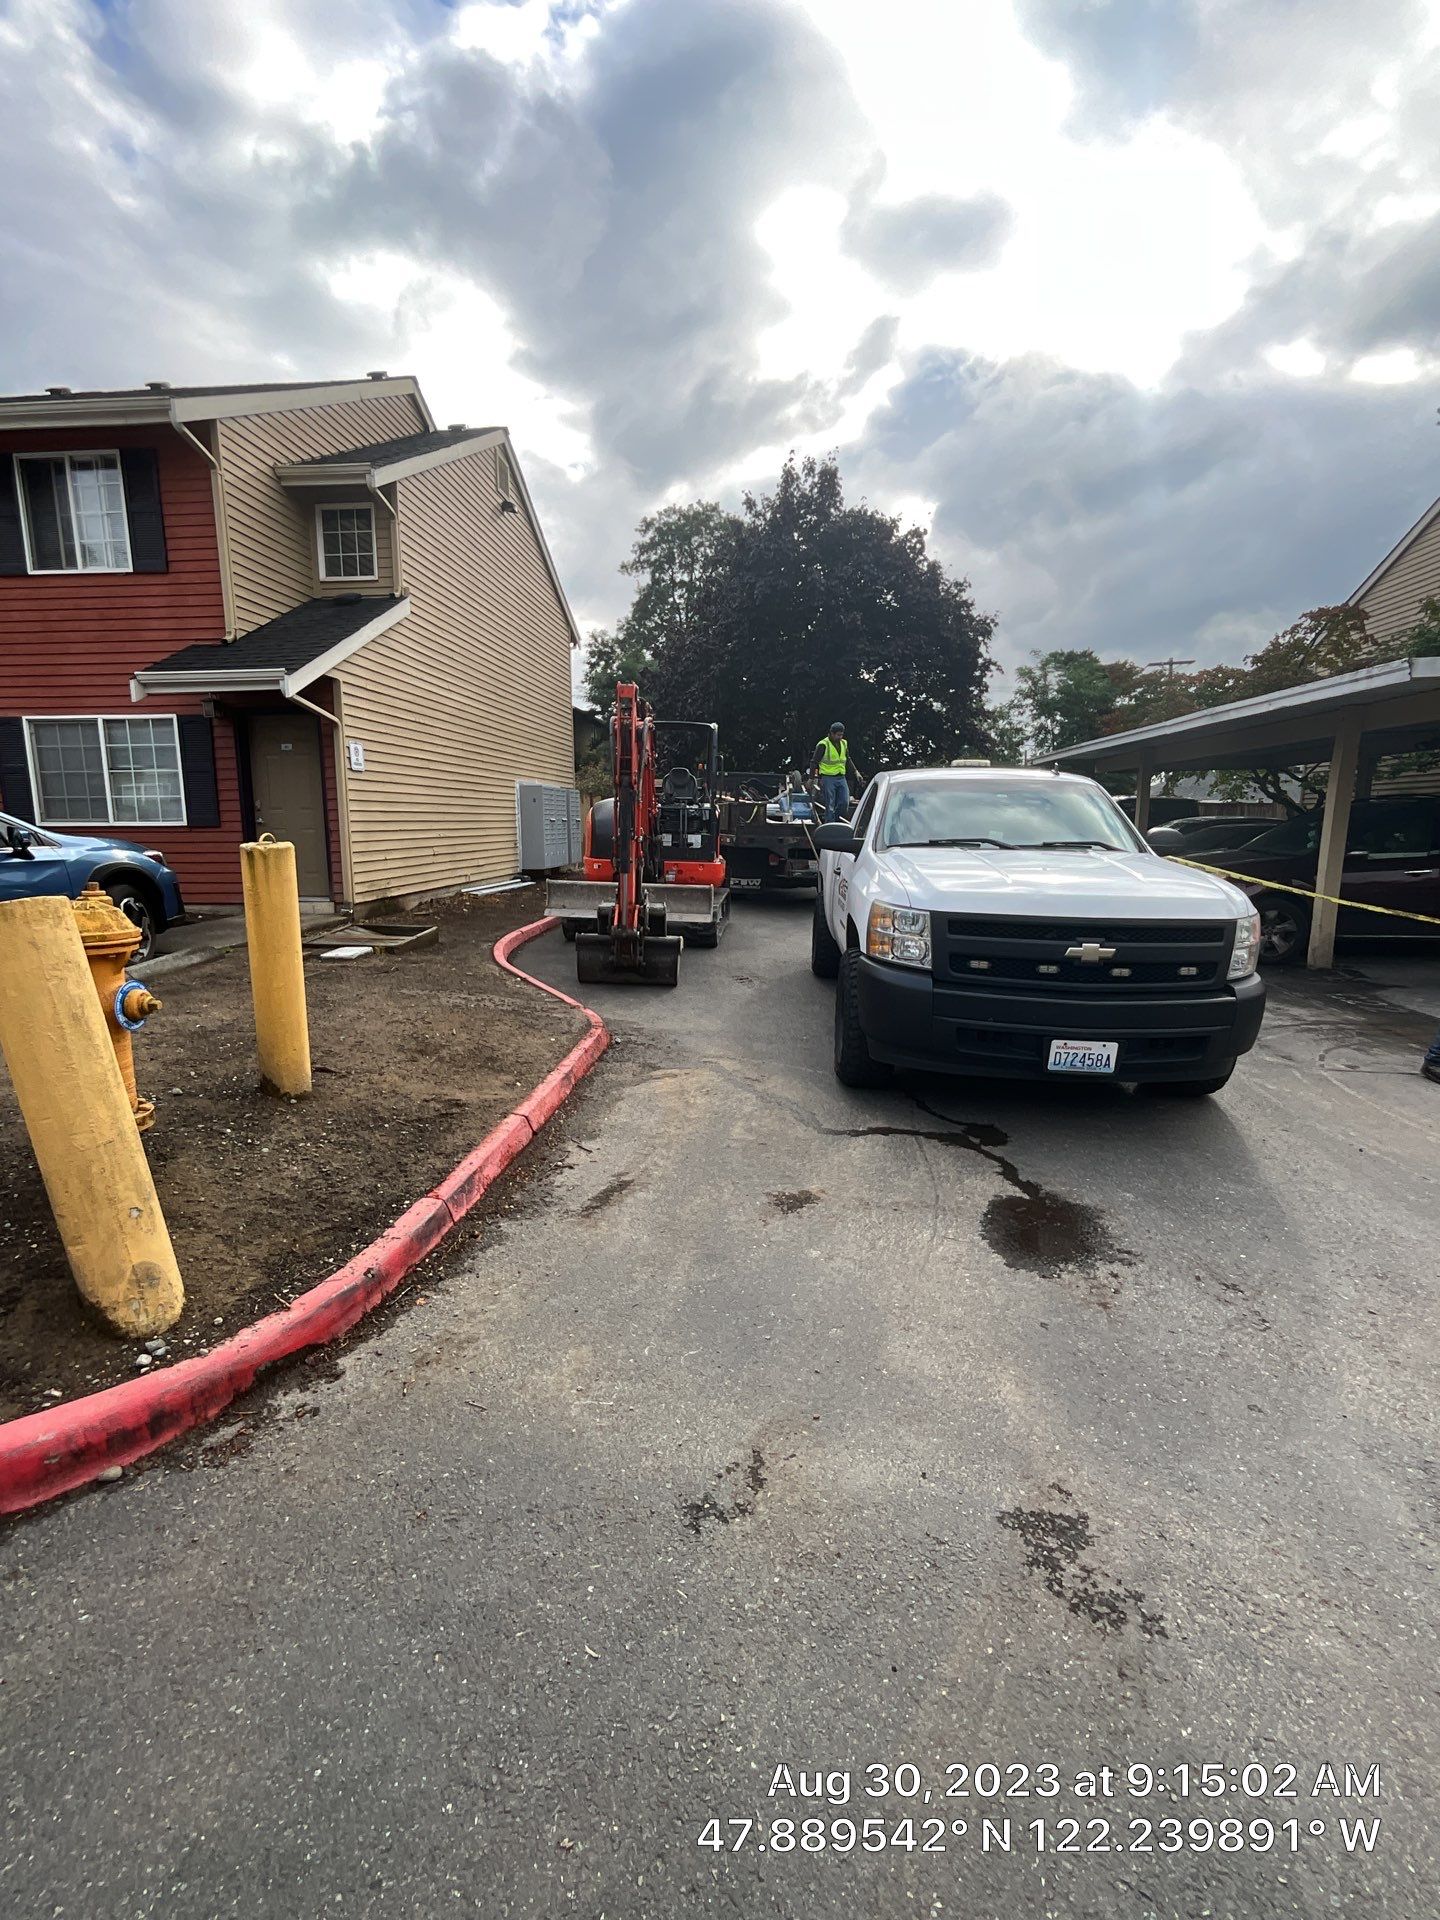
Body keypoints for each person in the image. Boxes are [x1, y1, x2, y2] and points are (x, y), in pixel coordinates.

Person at [809, 721, 863, 822]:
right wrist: (811, 779)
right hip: (828, 777)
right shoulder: (823, 744)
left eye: (842, 734)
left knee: (844, 803)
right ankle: (829, 825)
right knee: (830, 804)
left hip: (841, 777)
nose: (840, 737)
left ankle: (836, 820)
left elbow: (848, 759)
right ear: (832, 733)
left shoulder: (843, 743)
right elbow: (814, 762)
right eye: (838, 735)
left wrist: (856, 772)